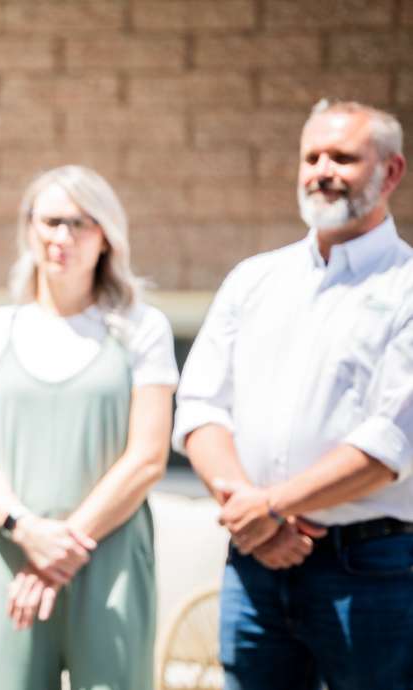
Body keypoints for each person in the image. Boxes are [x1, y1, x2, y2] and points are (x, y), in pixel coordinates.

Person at [174, 99, 412, 689]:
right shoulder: (254, 279)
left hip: (370, 572)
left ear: (391, 172)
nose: (322, 171)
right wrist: (254, 516)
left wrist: (269, 507)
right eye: (312, 157)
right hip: (254, 563)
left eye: (343, 158)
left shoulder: (406, 287)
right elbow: (201, 406)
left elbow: (391, 442)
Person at [0, 165, 177, 690]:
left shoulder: (143, 329)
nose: (63, 236)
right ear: (29, 228)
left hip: (111, 556)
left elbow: (147, 458)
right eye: (51, 221)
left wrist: (62, 549)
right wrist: (28, 532)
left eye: (81, 223)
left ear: (107, 236)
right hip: (10, 554)